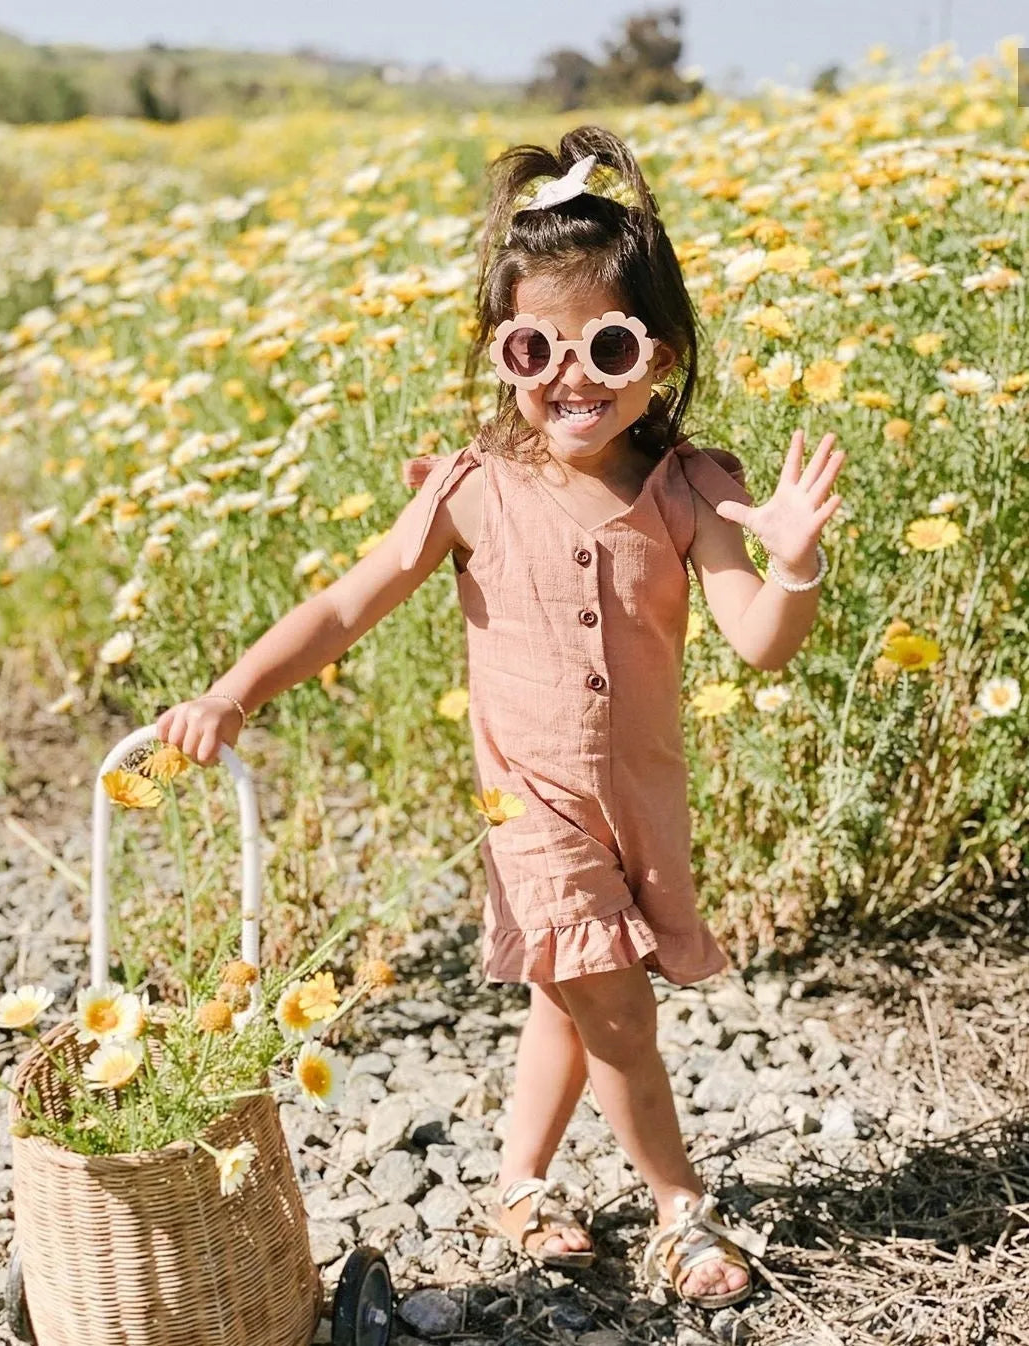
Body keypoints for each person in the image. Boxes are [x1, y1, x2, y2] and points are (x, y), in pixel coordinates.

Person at [155, 125, 844, 1310]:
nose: (569, 376)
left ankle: (518, 1182)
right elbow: (341, 601)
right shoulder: (475, 486)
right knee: (610, 1002)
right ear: (500, 348)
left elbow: (758, 641)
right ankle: (680, 1207)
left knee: (566, 1004)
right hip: (526, 806)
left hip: (638, 808)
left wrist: (791, 563)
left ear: (659, 354)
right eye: (535, 345)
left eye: (606, 345)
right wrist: (231, 690)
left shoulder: (686, 490)